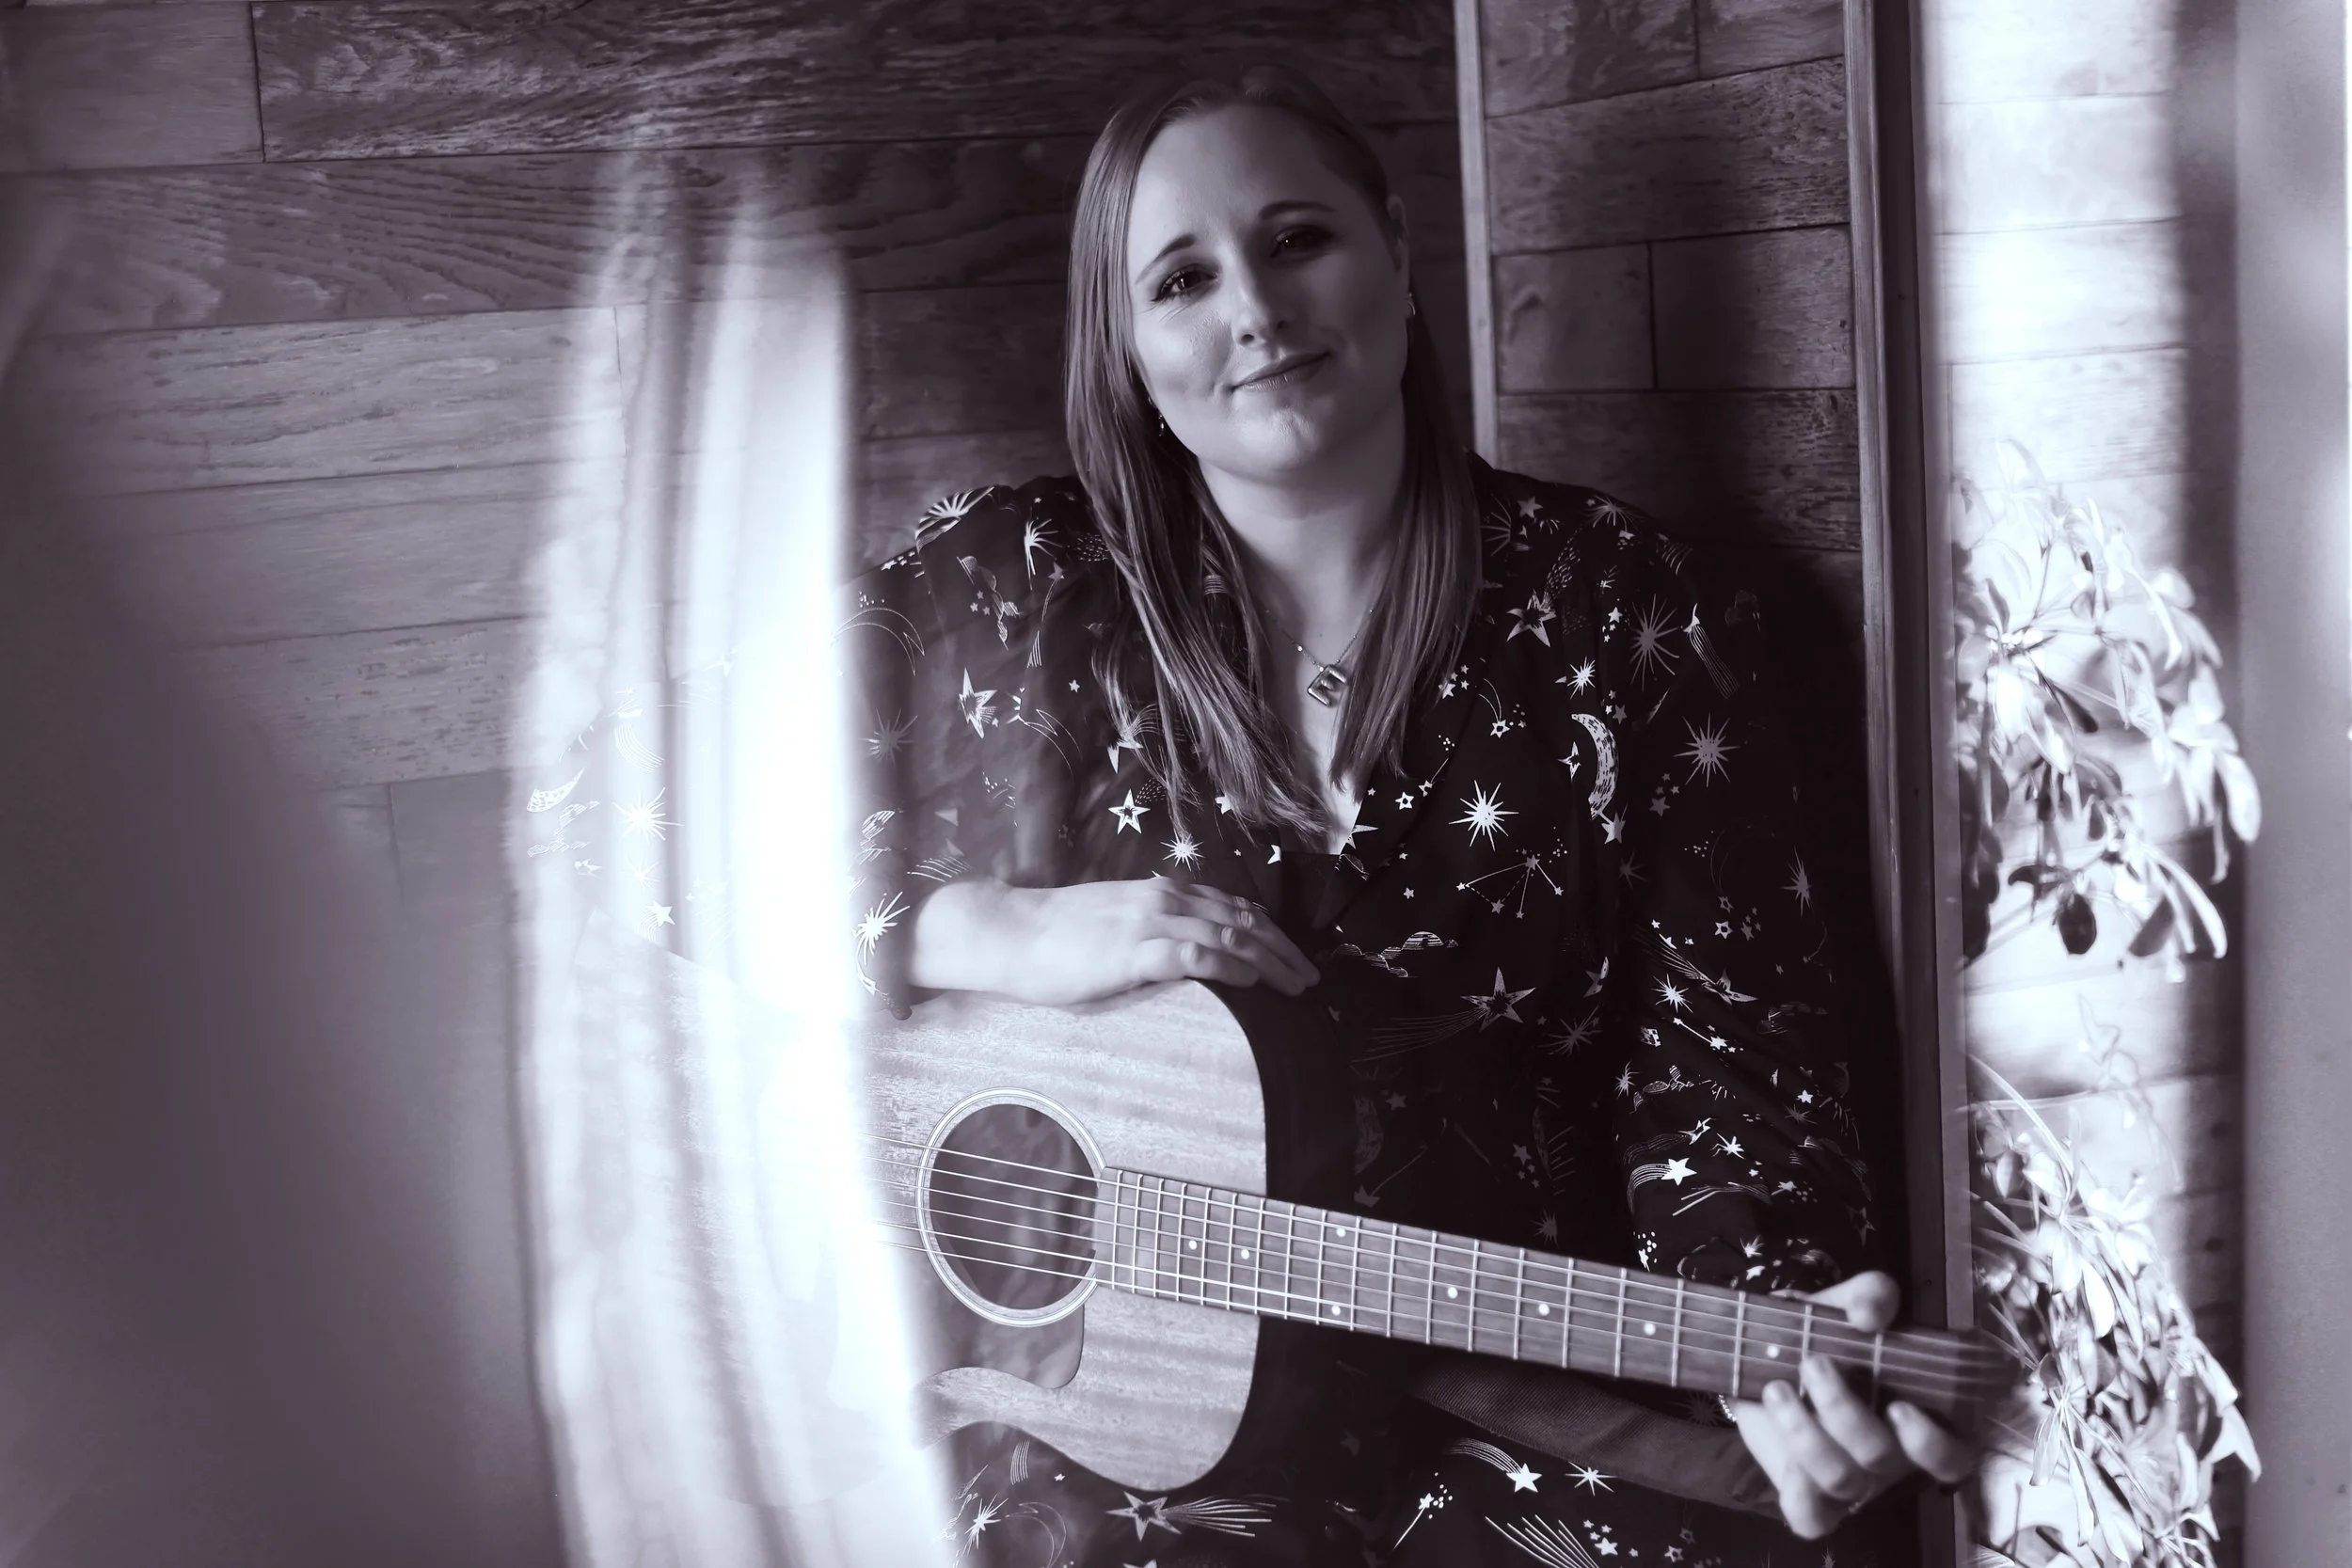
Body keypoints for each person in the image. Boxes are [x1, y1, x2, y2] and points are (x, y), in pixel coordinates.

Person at [842, 63, 1974, 1568]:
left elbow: (1728, 1060)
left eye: (1297, 239)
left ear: (1398, 256)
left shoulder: (1630, 608)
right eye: (1182, 278)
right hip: (1108, 1420)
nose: (1253, 306)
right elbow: (615, 799)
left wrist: (1770, 1330)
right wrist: (988, 929)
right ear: (1127, 345)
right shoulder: (1018, 578)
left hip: (1515, 1392)